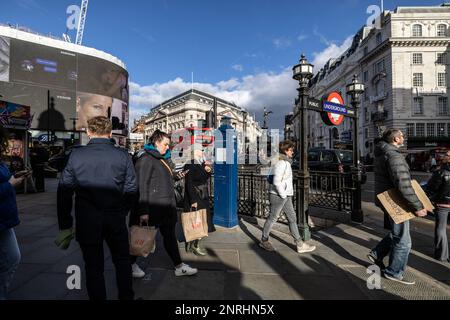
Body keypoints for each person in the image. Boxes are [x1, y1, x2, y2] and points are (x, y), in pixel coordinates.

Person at [57, 116, 137, 300]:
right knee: (122, 261)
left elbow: (64, 192)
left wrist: (65, 223)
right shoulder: (123, 155)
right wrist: (122, 210)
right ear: (110, 133)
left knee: (93, 267)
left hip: (87, 219)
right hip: (115, 217)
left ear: (88, 132)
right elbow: (132, 189)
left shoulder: (76, 155)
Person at [129, 130, 197, 278]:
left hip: (166, 207)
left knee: (170, 237)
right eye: (166, 144)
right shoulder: (146, 159)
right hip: (153, 208)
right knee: (141, 239)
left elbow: (166, 178)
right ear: (156, 142)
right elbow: (142, 186)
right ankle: (130, 264)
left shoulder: (161, 159)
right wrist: (143, 211)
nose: (168, 147)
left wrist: (178, 176)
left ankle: (179, 266)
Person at [368, 129, 428, 285]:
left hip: (387, 199)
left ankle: (377, 253)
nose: (404, 138)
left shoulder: (383, 152)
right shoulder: (394, 156)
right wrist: (417, 206)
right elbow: (403, 185)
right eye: (402, 136)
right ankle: (394, 272)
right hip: (396, 202)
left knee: (398, 233)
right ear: (395, 139)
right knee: (404, 240)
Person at [260, 140, 316, 254]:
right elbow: (276, 181)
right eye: (291, 150)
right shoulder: (282, 163)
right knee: (272, 218)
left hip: (285, 196)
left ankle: (300, 244)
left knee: (292, 218)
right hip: (279, 195)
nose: (292, 151)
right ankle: (264, 240)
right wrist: (283, 195)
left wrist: (286, 194)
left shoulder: (283, 162)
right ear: (285, 151)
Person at [0, 125, 28, 300]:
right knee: (11, 258)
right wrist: (10, 184)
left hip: (4, 220)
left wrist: (13, 177)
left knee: (12, 258)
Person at [183, 144, 214, 256]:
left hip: (202, 196)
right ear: (194, 151)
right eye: (200, 150)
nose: (202, 152)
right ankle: (194, 246)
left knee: (199, 221)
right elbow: (189, 184)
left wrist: (208, 171)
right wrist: (193, 200)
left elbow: (203, 178)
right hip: (196, 197)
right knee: (196, 222)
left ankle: (192, 245)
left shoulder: (198, 163)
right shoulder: (190, 164)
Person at [426, 150, 450, 262]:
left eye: (445, 154)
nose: (442, 155)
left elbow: (431, 188)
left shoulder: (441, 172)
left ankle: (442, 255)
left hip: (443, 204)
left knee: (441, 228)